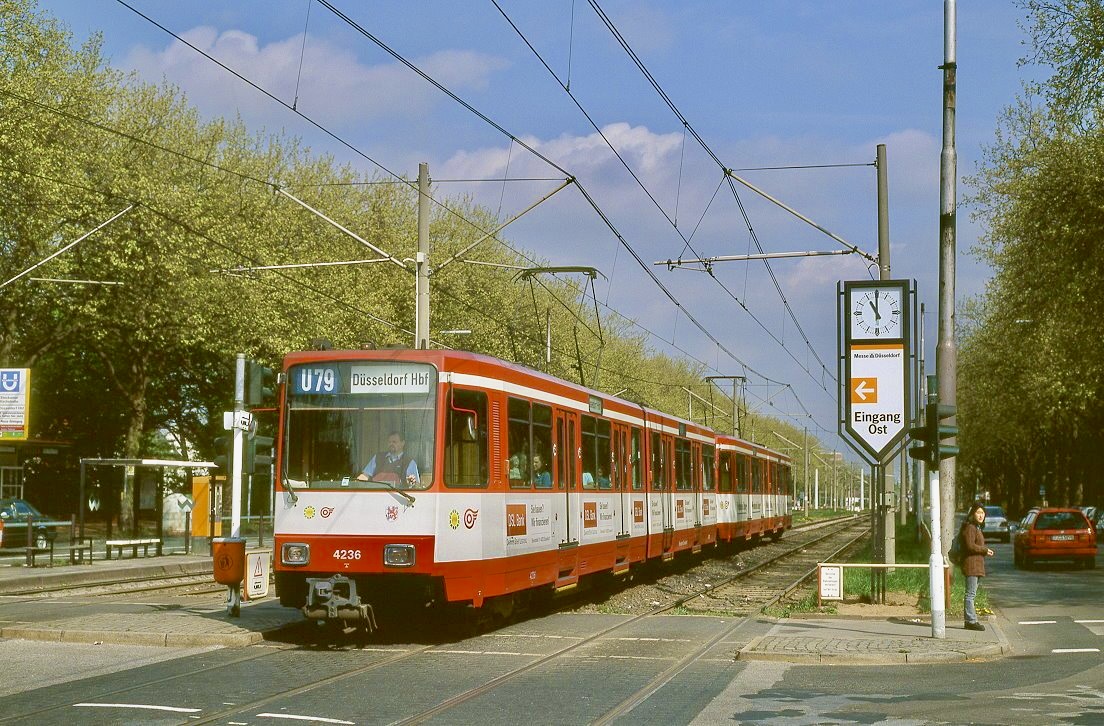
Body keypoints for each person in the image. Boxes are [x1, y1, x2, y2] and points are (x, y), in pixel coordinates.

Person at [959, 501, 995, 631]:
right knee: (970, 594)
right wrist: (985, 550)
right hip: (971, 565)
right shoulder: (970, 527)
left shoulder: (976, 527)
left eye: (983, 513)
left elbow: (975, 546)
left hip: (976, 565)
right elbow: (970, 546)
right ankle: (971, 621)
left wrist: (985, 550)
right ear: (972, 514)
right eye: (978, 512)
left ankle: (970, 620)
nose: (981, 515)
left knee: (971, 594)